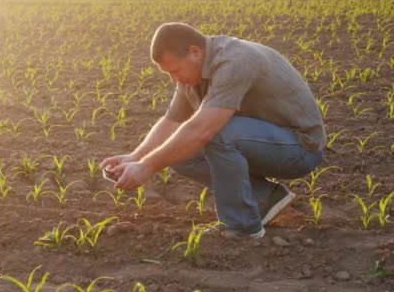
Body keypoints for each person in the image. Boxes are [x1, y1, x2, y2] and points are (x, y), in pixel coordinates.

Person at [100, 22, 326, 239]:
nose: (173, 79)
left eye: (176, 70)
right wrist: (135, 157)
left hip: (299, 148)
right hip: (262, 140)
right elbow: (171, 123)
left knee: (214, 133)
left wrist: (147, 167)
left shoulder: (235, 61)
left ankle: (242, 228)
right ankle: (263, 197)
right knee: (175, 150)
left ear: (195, 51)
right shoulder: (193, 74)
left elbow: (204, 130)